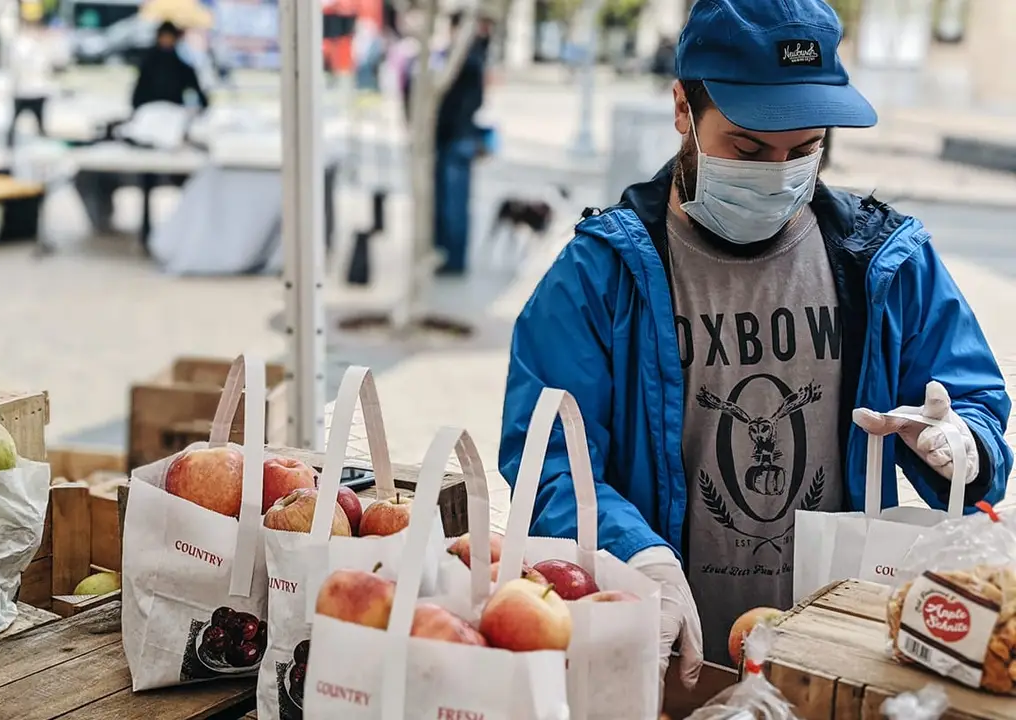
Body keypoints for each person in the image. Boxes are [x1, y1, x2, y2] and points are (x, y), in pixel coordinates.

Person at [498, 0, 1011, 686]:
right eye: (747, 149)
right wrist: (636, 556)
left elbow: (973, 404)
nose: (778, 174)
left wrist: (962, 445)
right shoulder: (599, 276)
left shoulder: (886, 263)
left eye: (804, 151)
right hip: (669, 653)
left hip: (837, 662)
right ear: (682, 108)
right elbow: (547, 460)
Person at [129, 21, 209, 246]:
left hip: (173, 125)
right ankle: (147, 228)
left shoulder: (180, 65)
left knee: (182, 181)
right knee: (148, 181)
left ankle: (181, 228)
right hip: (151, 126)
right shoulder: (150, 63)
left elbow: (199, 95)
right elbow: (137, 96)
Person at [432, 13, 491, 276]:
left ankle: (453, 259)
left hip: (455, 138)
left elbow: (463, 103)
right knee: (452, 202)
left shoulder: (464, 60)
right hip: (458, 137)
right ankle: (450, 255)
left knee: (453, 204)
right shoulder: (471, 57)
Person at [7, 2, 56, 148]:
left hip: (35, 88)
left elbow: (47, 64)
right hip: (25, 88)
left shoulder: (37, 42)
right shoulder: (22, 43)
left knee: (37, 122)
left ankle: (42, 146)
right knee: (16, 121)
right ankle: (11, 144)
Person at [131, 21, 209, 111]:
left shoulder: (179, 63)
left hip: (173, 108)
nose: (166, 40)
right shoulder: (150, 62)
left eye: (169, 37)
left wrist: (204, 104)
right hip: (150, 108)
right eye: (164, 37)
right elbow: (141, 86)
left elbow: (192, 82)